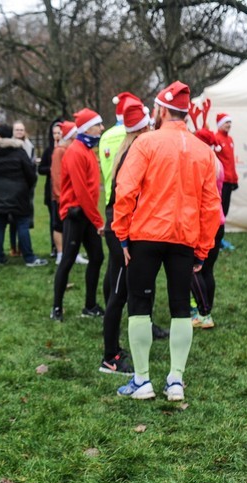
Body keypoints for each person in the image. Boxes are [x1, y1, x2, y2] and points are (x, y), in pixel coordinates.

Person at [113, 81, 220, 401]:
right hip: (183, 239)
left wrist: (122, 235)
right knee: (180, 308)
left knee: (139, 307)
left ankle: (142, 380)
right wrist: (203, 248)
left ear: (160, 110)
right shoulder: (202, 150)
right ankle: (175, 380)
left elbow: (125, 190)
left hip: (145, 236)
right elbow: (211, 206)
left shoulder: (145, 143)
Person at [100, 96, 150, 376]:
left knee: (117, 289)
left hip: (119, 227)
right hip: (121, 230)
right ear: (142, 128)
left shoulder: (127, 147)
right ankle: (110, 357)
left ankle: (116, 349)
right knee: (118, 295)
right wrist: (123, 238)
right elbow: (124, 198)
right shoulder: (133, 153)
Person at [50, 108, 106, 321]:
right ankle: (56, 308)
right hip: (75, 214)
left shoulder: (88, 150)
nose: (102, 128)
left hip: (87, 213)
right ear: (87, 129)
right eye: (98, 125)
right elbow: (81, 192)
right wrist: (98, 221)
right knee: (67, 260)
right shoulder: (75, 151)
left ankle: (90, 306)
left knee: (97, 257)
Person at [0, 123, 46, 267]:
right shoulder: (19, 151)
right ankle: (29, 258)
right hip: (19, 194)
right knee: (22, 225)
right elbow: (30, 173)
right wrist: (26, 187)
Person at [188, 103, 226, 330]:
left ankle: (202, 313)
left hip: (205, 222)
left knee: (194, 268)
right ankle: (206, 309)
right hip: (219, 221)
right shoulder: (218, 163)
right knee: (208, 269)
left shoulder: (203, 164)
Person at [50, 120, 77, 265]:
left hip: (68, 197)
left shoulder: (69, 150)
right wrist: (60, 196)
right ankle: (60, 253)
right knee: (59, 226)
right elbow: (56, 175)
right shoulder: (59, 151)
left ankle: (72, 252)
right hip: (60, 197)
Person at [11, 120, 37, 257]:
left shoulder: (29, 146)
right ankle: (13, 247)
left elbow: (32, 166)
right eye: (17, 130)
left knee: (23, 220)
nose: (19, 132)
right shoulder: (9, 145)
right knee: (13, 220)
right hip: (12, 186)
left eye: (21, 130)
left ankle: (22, 247)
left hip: (26, 187)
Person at [38, 118, 63, 258]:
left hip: (64, 191)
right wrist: (53, 169)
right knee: (54, 220)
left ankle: (68, 248)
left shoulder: (67, 149)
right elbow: (41, 169)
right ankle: (55, 248)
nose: (57, 135)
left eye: (59, 133)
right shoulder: (49, 150)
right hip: (52, 191)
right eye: (54, 133)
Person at [215, 112, 237, 250]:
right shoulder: (216, 139)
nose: (229, 125)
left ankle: (220, 239)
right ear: (220, 124)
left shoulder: (230, 139)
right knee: (219, 211)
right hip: (221, 182)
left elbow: (231, 162)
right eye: (226, 122)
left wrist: (235, 179)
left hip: (229, 180)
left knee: (225, 210)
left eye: (230, 122)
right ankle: (216, 240)